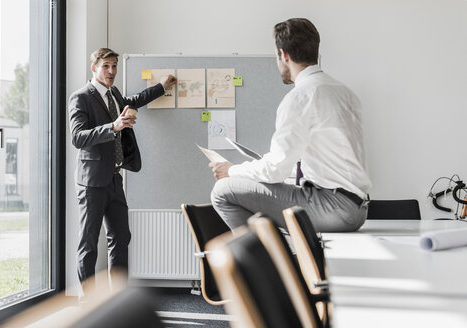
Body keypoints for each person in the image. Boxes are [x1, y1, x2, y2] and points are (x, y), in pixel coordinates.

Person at [209, 18, 371, 232]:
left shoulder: (301, 97)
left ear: (283, 55)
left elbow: (274, 170)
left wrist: (232, 170)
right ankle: (283, 250)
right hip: (357, 208)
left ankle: (267, 262)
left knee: (222, 190)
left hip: (333, 208)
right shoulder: (344, 92)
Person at [69, 48, 176, 283]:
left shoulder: (113, 93)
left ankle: (117, 297)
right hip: (92, 182)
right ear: (94, 67)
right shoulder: (81, 97)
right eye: (106, 66)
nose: (111, 71)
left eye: (114, 66)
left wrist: (161, 87)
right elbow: (77, 137)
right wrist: (113, 127)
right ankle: (88, 306)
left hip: (115, 178)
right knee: (88, 243)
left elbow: (132, 101)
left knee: (121, 237)